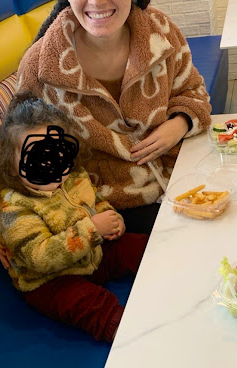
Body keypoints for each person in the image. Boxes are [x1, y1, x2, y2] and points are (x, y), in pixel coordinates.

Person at [15, 0, 212, 234]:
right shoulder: (40, 64)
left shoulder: (161, 30)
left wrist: (180, 123)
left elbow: (193, 90)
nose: (97, 2)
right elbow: (16, 150)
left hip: (184, 175)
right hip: (106, 212)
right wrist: (12, 219)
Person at [0, 92, 149, 342]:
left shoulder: (74, 177)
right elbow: (40, 257)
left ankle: (169, 268)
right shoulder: (15, 207)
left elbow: (95, 200)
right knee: (86, 302)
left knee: (135, 246)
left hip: (93, 256)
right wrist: (92, 230)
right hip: (50, 280)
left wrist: (111, 218)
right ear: (11, 165)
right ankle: (129, 334)